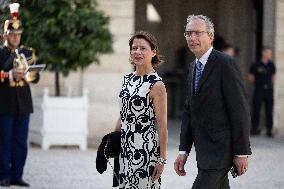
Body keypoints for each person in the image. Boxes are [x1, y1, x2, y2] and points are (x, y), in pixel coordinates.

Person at [174, 15, 251, 189]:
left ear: (211, 36)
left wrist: (242, 152)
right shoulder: (193, 67)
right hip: (204, 152)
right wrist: (183, 150)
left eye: (197, 33)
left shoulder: (225, 63)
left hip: (220, 152)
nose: (192, 38)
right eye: (188, 33)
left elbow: (239, 110)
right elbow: (189, 112)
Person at [114, 31, 168, 188]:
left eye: (143, 48)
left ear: (153, 52)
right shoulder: (127, 79)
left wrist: (162, 159)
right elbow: (123, 113)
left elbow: (162, 125)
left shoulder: (157, 85)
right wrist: (112, 138)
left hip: (145, 149)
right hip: (125, 147)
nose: (137, 52)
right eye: (134, 48)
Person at [0, 3, 40, 187]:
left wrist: (29, 74)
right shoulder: (1, 53)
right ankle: (4, 175)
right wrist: (8, 75)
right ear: (5, 35)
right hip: (4, 101)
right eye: (12, 34)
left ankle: (17, 174)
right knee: (4, 140)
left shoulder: (27, 52)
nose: (16, 37)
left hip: (23, 102)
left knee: (20, 142)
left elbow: (35, 77)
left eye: (18, 34)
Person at [248, 47, 276, 137]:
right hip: (259, 89)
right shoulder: (255, 64)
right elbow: (250, 78)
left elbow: (273, 78)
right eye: (268, 53)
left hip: (269, 90)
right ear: (263, 53)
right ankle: (255, 129)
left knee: (269, 110)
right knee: (256, 109)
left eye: (270, 53)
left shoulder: (272, 65)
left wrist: (270, 86)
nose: (269, 55)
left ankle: (269, 129)